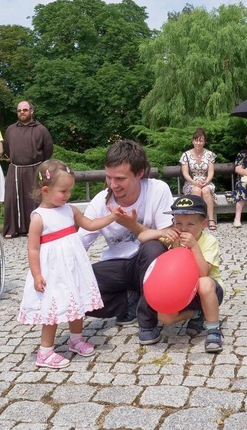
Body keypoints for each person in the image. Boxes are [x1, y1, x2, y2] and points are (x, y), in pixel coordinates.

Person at [18, 159, 123, 369]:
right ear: (45, 189)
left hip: (73, 267)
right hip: (53, 271)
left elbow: (90, 224)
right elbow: (33, 249)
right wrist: (37, 274)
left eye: (69, 191)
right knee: (53, 309)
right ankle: (45, 352)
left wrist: (112, 217)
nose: (67, 195)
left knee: (77, 303)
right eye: (63, 191)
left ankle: (76, 340)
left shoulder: (70, 210)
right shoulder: (39, 217)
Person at [79, 140, 174, 345]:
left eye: (120, 178)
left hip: (149, 263)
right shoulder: (100, 201)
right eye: (109, 177)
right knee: (74, 286)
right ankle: (129, 303)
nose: (113, 185)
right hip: (118, 265)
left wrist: (134, 226)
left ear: (139, 173)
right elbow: (79, 245)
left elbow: (169, 236)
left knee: (153, 246)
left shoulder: (158, 190)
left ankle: (148, 322)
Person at [138, 195, 225, 353]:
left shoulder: (209, 241)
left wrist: (193, 246)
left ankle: (213, 329)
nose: (183, 228)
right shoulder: (173, 238)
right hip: (183, 293)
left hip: (208, 292)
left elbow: (203, 272)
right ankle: (198, 313)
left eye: (190, 224)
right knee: (165, 317)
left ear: (203, 224)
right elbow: (142, 237)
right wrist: (162, 233)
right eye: (178, 223)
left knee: (204, 282)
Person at [3, 101, 53, 238]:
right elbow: (7, 148)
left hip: (34, 168)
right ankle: (13, 229)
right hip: (16, 169)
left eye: (25, 110)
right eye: (19, 111)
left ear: (31, 111)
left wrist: (38, 165)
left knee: (34, 199)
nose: (22, 113)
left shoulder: (41, 129)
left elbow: (48, 150)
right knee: (12, 199)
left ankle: (34, 229)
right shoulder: (10, 130)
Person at [179, 127, 217, 230]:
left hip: (206, 181)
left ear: (204, 142)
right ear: (193, 141)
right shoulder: (185, 155)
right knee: (196, 190)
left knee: (205, 190)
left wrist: (207, 181)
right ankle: (197, 220)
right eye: (196, 140)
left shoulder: (209, 155)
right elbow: (185, 174)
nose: (198, 143)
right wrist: (194, 182)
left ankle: (211, 219)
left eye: (201, 140)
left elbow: (211, 172)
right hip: (191, 182)